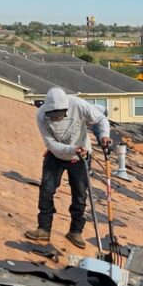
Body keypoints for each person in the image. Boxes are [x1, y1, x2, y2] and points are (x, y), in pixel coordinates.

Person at [24, 86, 111, 248]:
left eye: (59, 115)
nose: (56, 119)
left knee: (79, 195)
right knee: (46, 190)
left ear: (66, 108)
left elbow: (101, 119)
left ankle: (75, 231)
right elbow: (50, 143)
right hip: (56, 156)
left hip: (81, 158)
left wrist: (104, 135)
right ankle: (43, 229)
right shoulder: (41, 115)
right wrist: (72, 149)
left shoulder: (78, 105)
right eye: (53, 116)